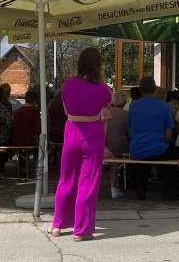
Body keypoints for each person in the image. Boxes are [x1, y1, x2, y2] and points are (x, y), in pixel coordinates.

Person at [50, 47, 112, 241]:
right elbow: (107, 102)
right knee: (89, 182)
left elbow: (66, 109)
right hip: (92, 132)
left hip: (71, 131)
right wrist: (101, 78)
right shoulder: (101, 87)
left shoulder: (68, 84)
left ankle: (57, 225)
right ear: (97, 65)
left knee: (66, 179)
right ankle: (81, 230)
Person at [127, 77, 179, 202]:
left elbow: (130, 130)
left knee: (142, 156)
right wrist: (167, 142)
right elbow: (168, 134)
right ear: (154, 89)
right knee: (177, 156)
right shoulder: (163, 106)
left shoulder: (133, 105)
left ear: (140, 90)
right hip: (158, 148)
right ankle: (170, 191)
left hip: (136, 148)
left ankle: (141, 187)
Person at [103, 91, 129, 198]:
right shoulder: (126, 114)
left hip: (103, 146)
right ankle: (114, 188)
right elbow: (130, 133)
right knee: (114, 161)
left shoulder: (97, 112)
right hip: (120, 146)